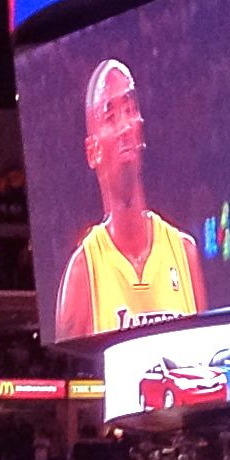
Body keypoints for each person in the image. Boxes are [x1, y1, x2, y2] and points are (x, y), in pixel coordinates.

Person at [50, 56, 206, 336]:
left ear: (140, 129)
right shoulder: (83, 272)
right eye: (110, 117)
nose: (124, 127)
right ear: (93, 151)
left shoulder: (184, 252)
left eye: (130, 109)